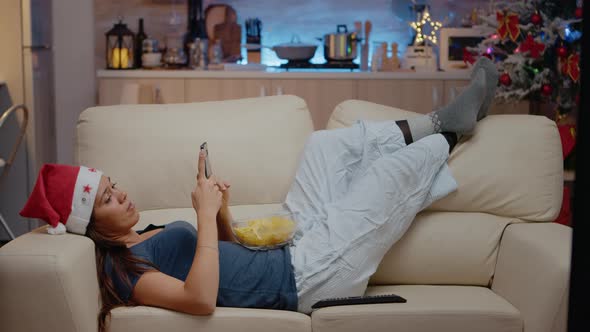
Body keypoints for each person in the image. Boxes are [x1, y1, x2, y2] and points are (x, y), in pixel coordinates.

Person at [19, 58, 498, 331]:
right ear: (91, 226)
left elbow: (224, 259)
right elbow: (202, 300)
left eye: (113, 186)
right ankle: (451, 135)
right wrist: (204, 219)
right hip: (310, 278)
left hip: (290, 246)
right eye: (105, 199)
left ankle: (438, 122)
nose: (121, 195)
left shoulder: (143, 234)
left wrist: (220, 213)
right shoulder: (123, 273)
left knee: (323, 147)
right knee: (391, 174)